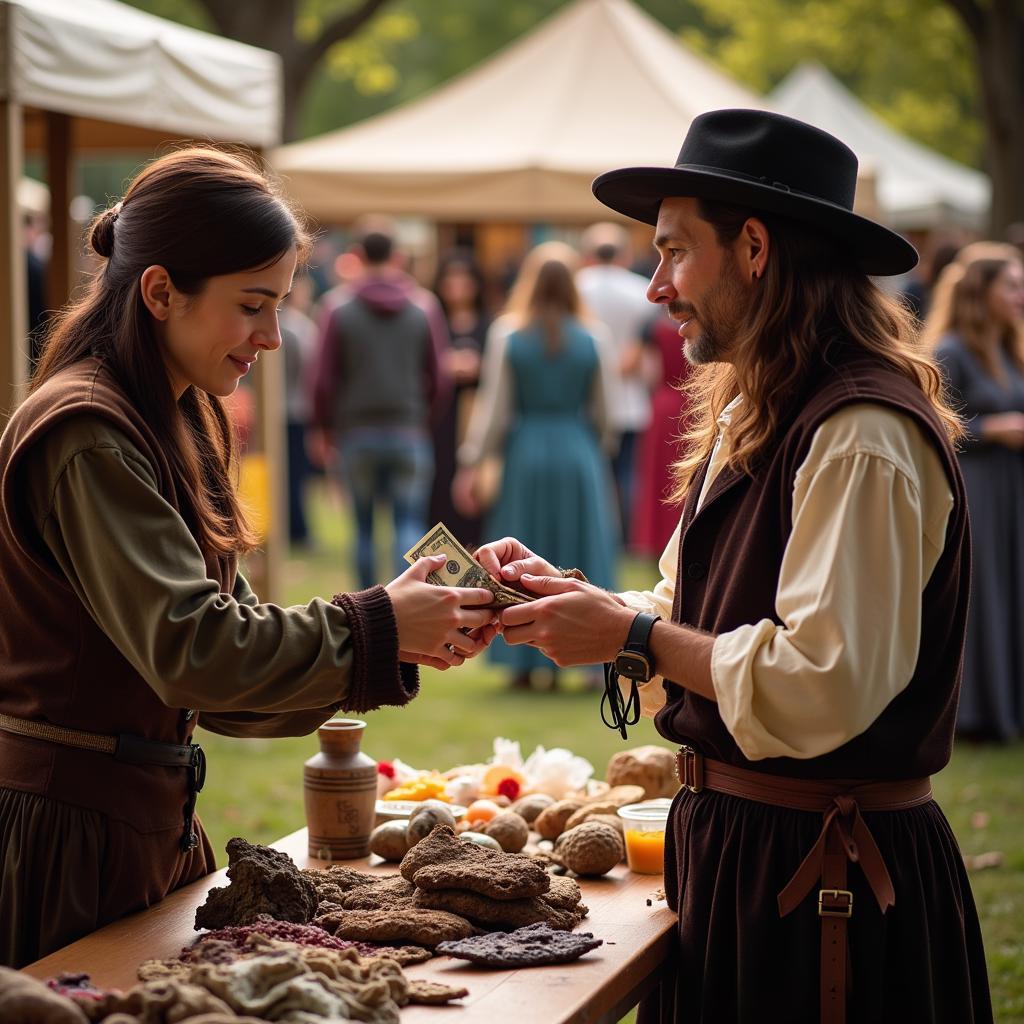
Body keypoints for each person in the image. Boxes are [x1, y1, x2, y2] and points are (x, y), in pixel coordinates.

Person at [476, 109, 992, 1022]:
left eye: (674, 252)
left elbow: (823, 681)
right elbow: (690, 606)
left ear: (754, 248)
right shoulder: (761, 408)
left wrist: (629, 634)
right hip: (739, 852)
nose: (654, 287)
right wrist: (583, 604)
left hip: (825, 877)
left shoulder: (860, 432)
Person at [0, 148, 496, 970]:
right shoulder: (88, 431)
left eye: (280, 306)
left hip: (140, 833)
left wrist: (393, 637)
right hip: (69, 846)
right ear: (161, 292)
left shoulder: (173, 410)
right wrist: (371, 629)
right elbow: (194, 652)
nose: (272, 337)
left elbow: (212, 688)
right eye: (252, 306)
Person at [454, 242, 618, 691]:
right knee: (580, 548)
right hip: (577, 452)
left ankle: (525, 663)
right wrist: (592, 444)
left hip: (525, 452)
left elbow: (494, 409)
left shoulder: (508, 335)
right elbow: (607, 414)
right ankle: (590, 659)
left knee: (522, 560)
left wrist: (472, 461)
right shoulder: (593, 338)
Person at [309, 226, 450, 589]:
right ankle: (414, 598)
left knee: (363, 528)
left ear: (356, 256)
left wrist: (323, 428)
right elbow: (439, 376)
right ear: (398, 258)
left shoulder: (337, 308)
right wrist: (422, 417)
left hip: (356, 433)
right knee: (409, 522)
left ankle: (372, 606)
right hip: (408, 429)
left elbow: (323, 379)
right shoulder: (424, 307)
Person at [924, 242, 1024, 742]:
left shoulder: (1010, 347)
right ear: (981, 291)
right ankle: (975, 714)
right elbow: (935, 426)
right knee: (982, 595)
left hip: (1012, 490)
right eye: (1011, 284)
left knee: (1013, 588)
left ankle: (1012, 706)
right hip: (977, 488)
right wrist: (992, 429)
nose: (1020, 295)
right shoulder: (950, 351)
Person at [576, 222, 653, 543]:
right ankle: (625, 536)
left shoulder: (577, 286)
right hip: (630, 396)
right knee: (627, 475)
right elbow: (646, 345)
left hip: (585, 400)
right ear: (623, 255)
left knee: (597, 474)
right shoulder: (641, 290)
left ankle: (599, 531)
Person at [428, 250, 492, 548]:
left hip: (476, 416)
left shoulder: (490, 325)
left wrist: (479, 366)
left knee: (476, 489)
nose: (457, 284)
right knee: (439, 486)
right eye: (451, 277)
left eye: (464, 277)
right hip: (440, 419)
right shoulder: (433, 322)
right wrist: (445, 367)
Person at [630, 314, 691, 558]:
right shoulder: (705, 322)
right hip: (694, 407)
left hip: (664, 409)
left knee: (661, 479)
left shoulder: (653, 327)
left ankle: (658, 542)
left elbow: (649, 373)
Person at [278, 269, 318, 546]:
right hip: (294, 409)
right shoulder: (296, 327)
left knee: (292, 474)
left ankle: (296, 528)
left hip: (289, 408)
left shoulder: (295, 325)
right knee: (293, 475)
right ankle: (296, 529)